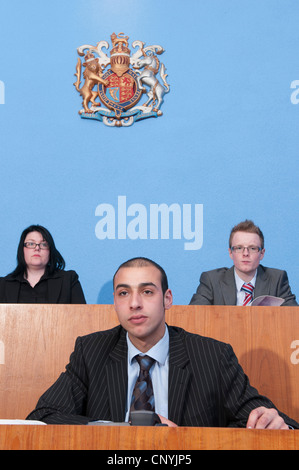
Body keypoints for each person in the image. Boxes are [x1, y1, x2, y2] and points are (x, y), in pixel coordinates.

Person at [26, 256, 298, 428]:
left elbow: (263, 418)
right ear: (115, 303)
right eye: (123, 293)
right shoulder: (91, 352)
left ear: (167, 299)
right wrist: (118, 429)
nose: (134, 303)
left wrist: (272, 422)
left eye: (146, 291)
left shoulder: (213, 356)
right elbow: (44, 416)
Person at [189, 220, 298, 306]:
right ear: (231, 253)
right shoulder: (212, 281)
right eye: (239, 248)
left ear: (262, 253)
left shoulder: (277, 280)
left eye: (252, 248)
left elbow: (292, 318)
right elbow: (194, 317)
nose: (245, 253)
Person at [0, 225, 86, 303]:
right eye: (31, 244)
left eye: (43, 244)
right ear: (22, 250)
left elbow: (82, 316)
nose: (37, 248)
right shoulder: (3, 285)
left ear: (50, 250)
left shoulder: (68, 280)